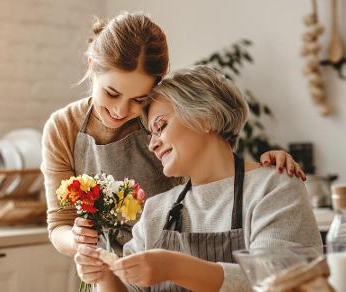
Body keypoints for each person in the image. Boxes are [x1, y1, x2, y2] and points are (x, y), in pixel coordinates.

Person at [42, 12, 305, 260]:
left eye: (139, 99)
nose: (120, 110)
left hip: (171, 265)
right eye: (111, 93)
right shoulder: (63, 128)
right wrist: (79, 241)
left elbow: (213, 175)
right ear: (92, 65)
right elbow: (59, 224)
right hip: (108, 271)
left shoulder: (162, 116)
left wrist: (263, 169)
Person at [74, 65, 323, 292]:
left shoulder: (273, 187)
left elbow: (282, 285)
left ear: (206, 117)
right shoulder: (156, 210)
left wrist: (174, 267)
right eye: (150, 134)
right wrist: (104, 275)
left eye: (161, 126)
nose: (152, 144)